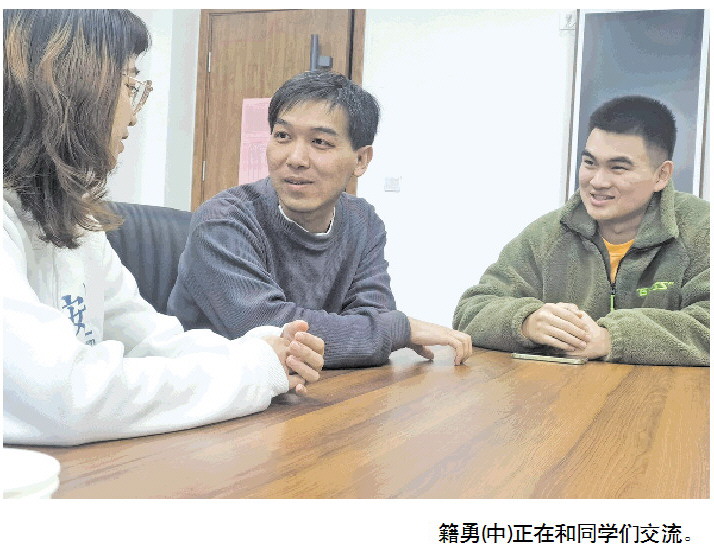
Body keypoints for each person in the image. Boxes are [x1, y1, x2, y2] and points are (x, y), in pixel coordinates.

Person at [3, 9, 325, 446]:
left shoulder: (73, 220)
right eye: (128, 85)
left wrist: (260, 350)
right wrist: (253, 369)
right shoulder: (226, 214)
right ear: (73, 86)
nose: (134, 114)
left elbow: (149, 340)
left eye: (322, 142)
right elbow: (65, 398)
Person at [168, 71, 472, 368]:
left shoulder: (363, 221)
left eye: (320, 142)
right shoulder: (224, 221)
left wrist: (377, 331)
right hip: (213, 388)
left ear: (361, 159)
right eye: (283, 136)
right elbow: (265, 329)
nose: (295, 159)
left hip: (316, 389)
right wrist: (395, 330)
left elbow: (374, 314)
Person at [453, 95, 709, 366]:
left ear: (661, 175)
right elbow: (471, 311)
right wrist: (526, 322)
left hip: (664, 391)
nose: (597, 181)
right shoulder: (548, 234)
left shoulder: (702, 230)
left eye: (618, 168)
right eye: (589, 163)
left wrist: (612, 338)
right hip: (565, 391)